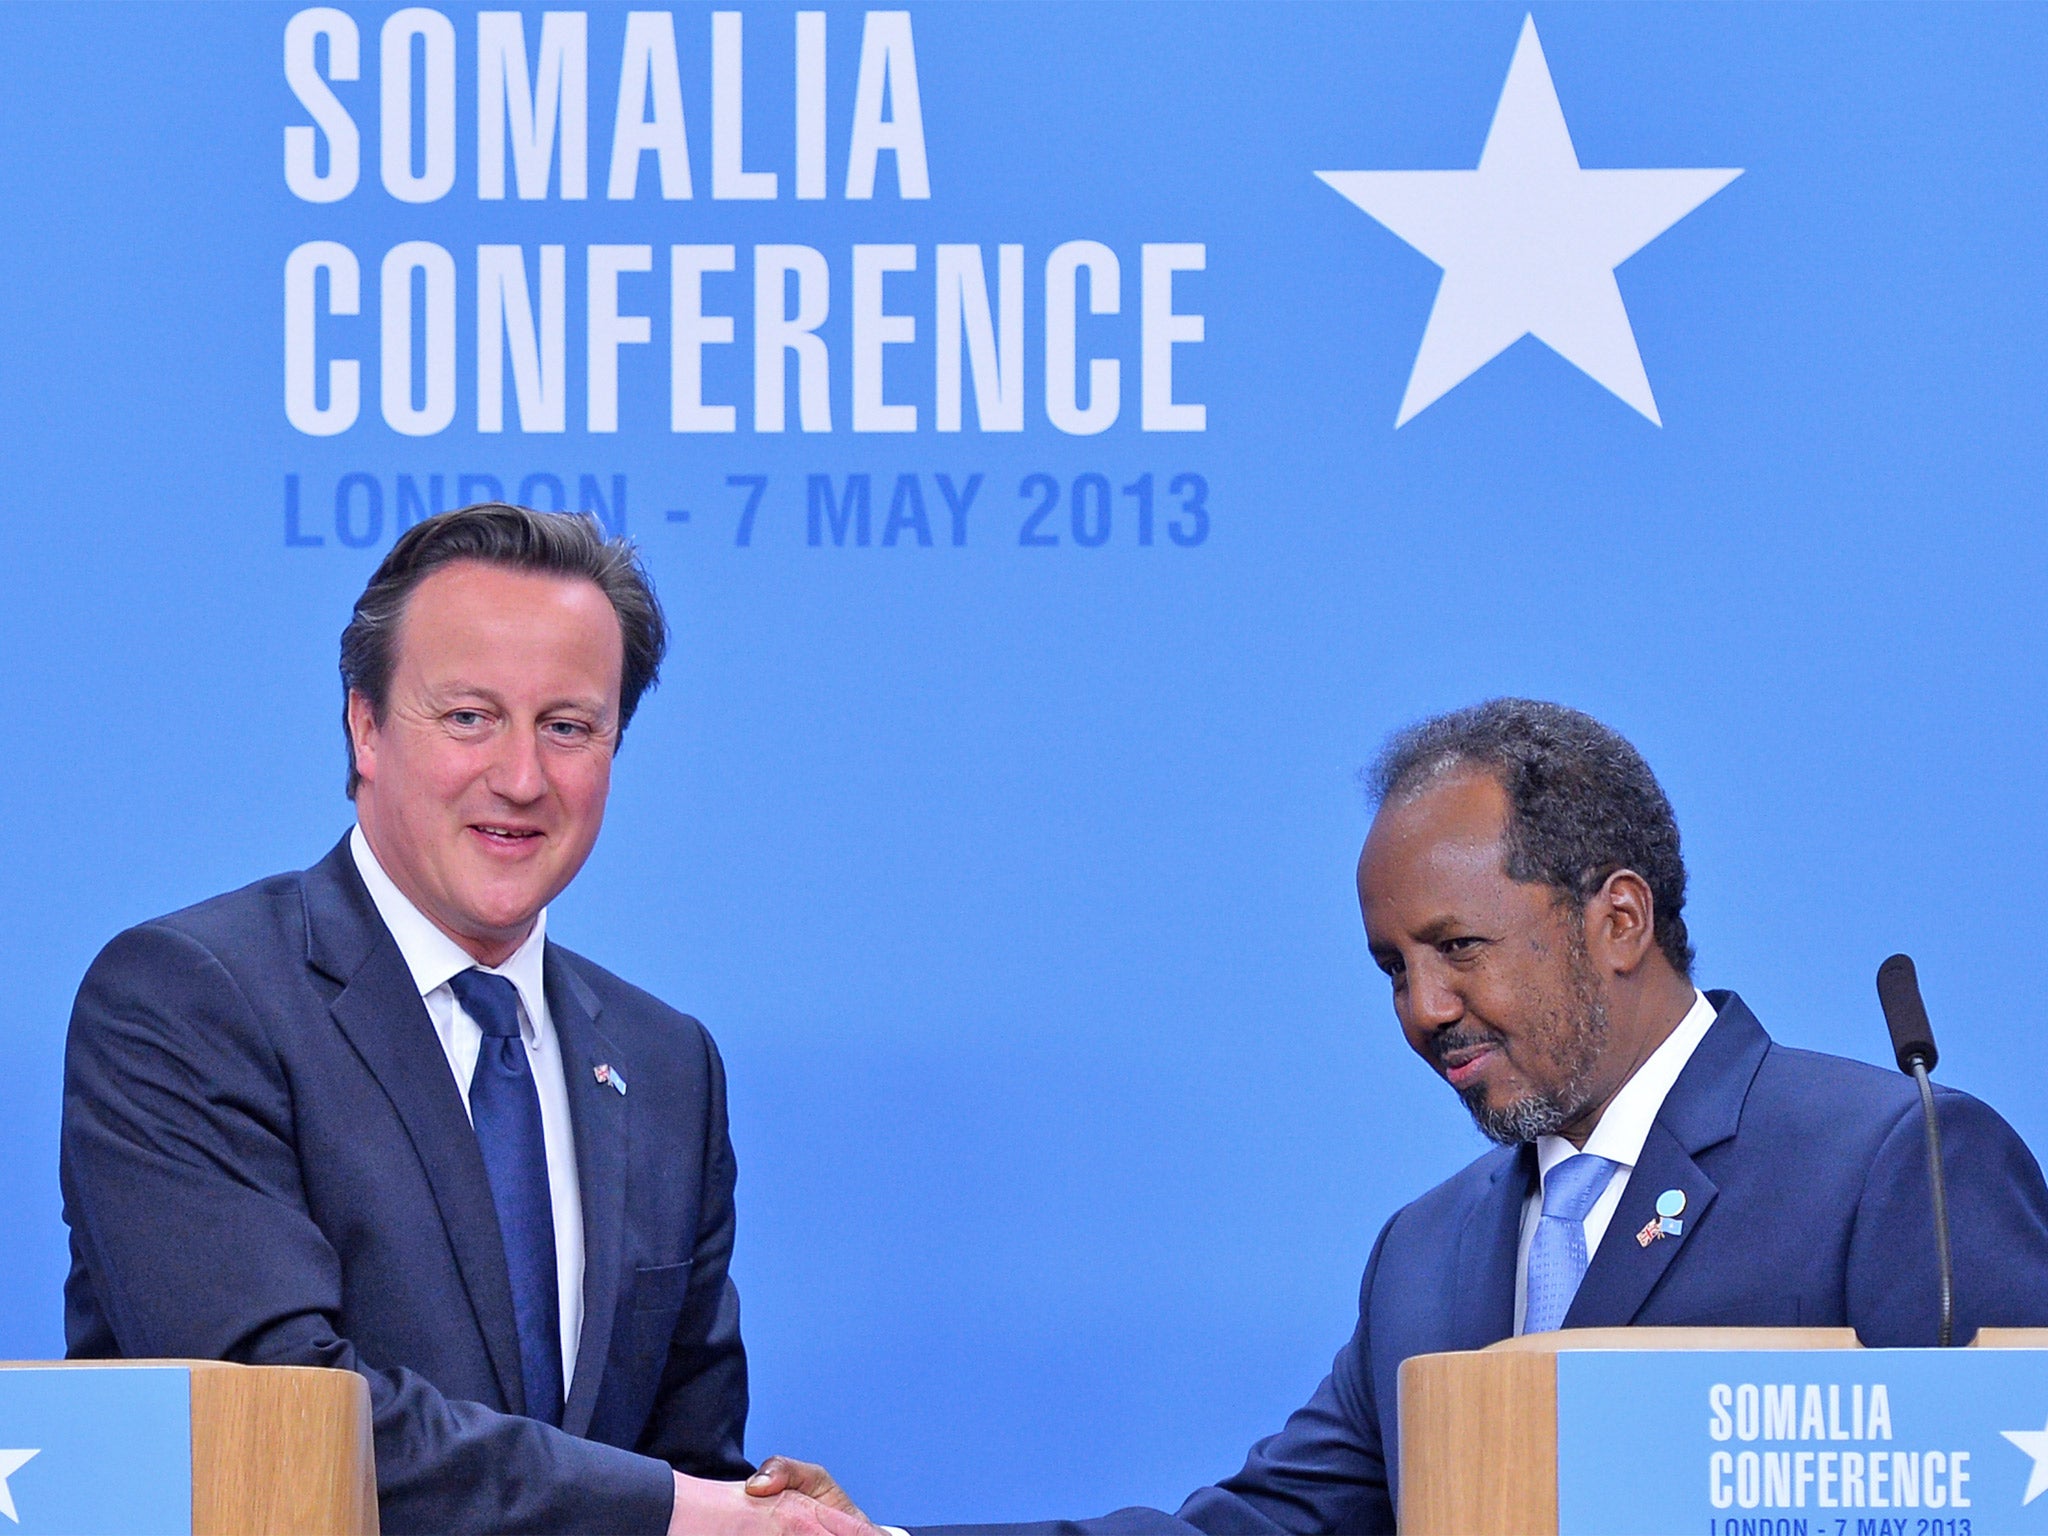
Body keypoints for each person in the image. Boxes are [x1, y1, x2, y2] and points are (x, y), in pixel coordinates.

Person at [748, 698, 2048, 1533]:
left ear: (1618, 920)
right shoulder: (1427, 1254)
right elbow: (1252, 1534)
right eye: (1391, 968)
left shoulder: (1893, 1162)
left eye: (1458, 947)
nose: (1425, 1009)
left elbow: (2003, 1487)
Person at [61, 505, 866, 1536]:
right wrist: (691, 1510)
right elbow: (277, 1419)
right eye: (469, 717)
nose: (521, 778)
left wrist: (771, 1519)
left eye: (567, 726)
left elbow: (680, 1471)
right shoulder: (190, 999)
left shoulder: (664, 1063)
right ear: (364, 725)